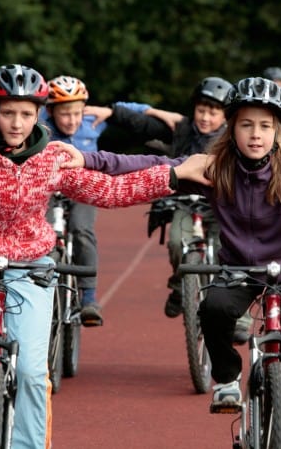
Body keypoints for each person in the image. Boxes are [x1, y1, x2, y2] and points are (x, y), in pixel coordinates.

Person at [0, 64, 210, 449]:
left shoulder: (50, 157)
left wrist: (172, 176)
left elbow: (109, 190)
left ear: (39, 115)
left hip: (31, 266)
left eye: (26, 114)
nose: (17, 123)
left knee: (34, 375)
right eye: (8, 113)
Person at [74, 76, 281, 448]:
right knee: (212, 307)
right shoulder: (215, 168)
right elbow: (147, 163)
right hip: (239, 269)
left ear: (277, 130)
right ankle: (227, 378)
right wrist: (87, 158)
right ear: (232, 127)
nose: (256, 134)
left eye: (265, 126)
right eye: (246, 125)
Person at [83, 77, 232, 319]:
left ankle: (239, 317)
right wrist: (110, 112)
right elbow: (140, 123)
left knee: (231, 247)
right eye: (201, 110)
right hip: (186, 201)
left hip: (220, 206)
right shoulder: (181, 128)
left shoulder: (233, 137)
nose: (205, 117)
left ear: (225, 116)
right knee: (176, 242)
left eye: (213, 113)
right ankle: (179, 286)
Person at [40, 75, 183, 326]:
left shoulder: (91, 121)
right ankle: (41, 290)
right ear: (51, 111)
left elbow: (131, 110)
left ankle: (88, 297)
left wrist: (159, 113)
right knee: (45, 234)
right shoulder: (41, 123)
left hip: (84, 188)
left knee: (82, 230)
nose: (72, 120)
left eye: (77, 113)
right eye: (65, 114)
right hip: (49, 189)